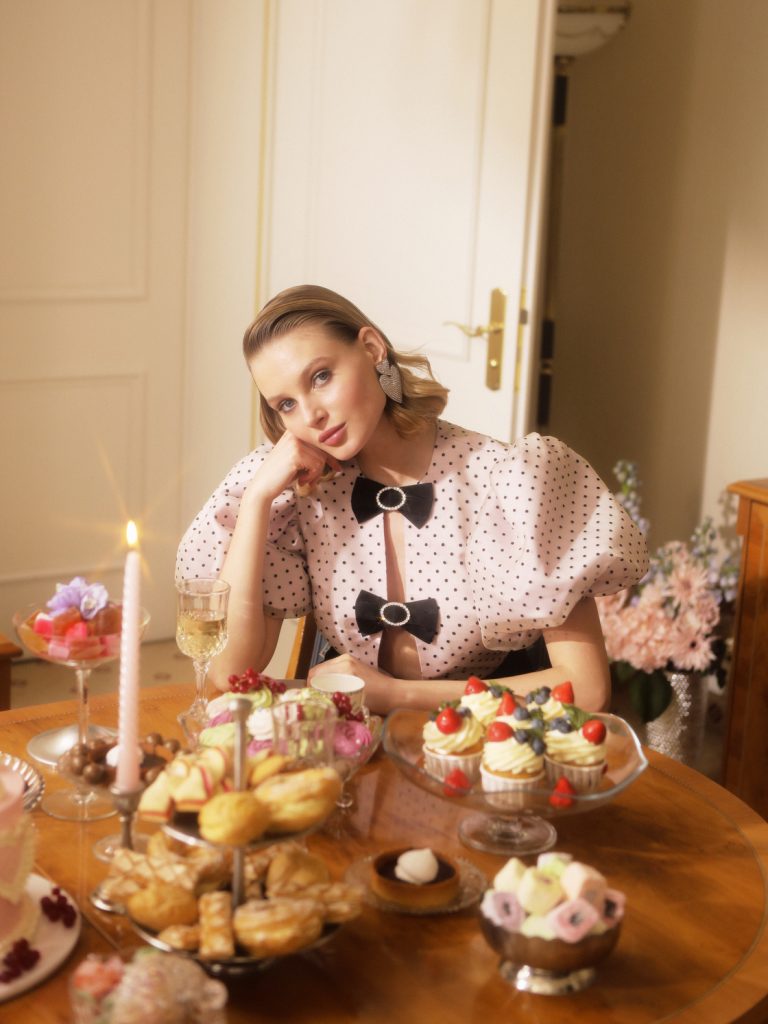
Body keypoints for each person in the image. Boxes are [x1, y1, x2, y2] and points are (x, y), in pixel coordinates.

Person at [176, 285, 648, 715]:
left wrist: (395, 695)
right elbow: (229, 673)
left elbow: (587, 688)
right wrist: (257, 500)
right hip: (347, 739)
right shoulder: (297, 492)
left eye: (320, 376)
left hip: (486, 737)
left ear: (371, 348)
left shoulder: (506, 478)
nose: (311, 415)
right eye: (286, 404)